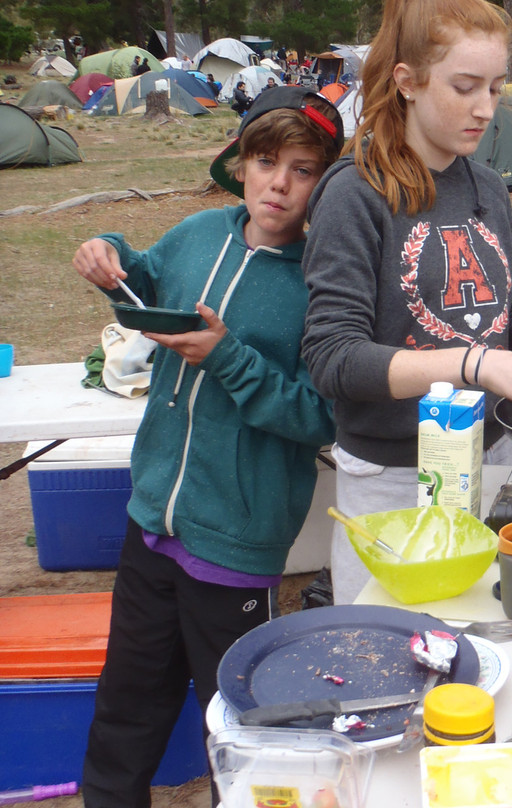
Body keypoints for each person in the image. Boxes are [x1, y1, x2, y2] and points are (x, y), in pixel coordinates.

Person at [71, 86, 343, 808]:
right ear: (239, 163)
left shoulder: (322, 284)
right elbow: (147, 283)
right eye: (264, 160)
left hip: (237, 545)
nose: (279, 184)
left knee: (238, 728)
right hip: (152, 521)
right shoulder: (197, 234)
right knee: (124, 706)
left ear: (324, 183)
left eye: (303, 168)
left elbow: (320, 417)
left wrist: (227, 356)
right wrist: (111, 259)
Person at [301, 0, 512, 605]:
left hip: (488, 455)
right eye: (464, 87)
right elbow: (334, 358)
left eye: (494, 86)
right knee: (392, 651)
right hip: (392, 481)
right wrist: (474, 363)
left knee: (482, 630)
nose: (486, 108)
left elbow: (503, 312)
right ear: (407, 82)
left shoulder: (486, 186)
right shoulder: (355, 194)